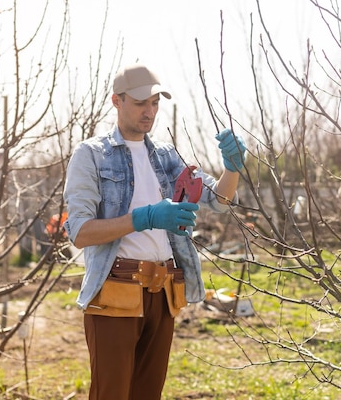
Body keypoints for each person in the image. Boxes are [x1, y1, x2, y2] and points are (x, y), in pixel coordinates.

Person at [63, 63, 246, 400]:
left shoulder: (165, 156)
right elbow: (80, 232)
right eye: (140, 103)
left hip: (163, 294)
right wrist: (144, 218)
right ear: (117, 101)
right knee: (111, 395)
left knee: (147, 395)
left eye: (155, 103)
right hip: (115, 293)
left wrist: (232, 168)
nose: (149, 112)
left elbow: (219, 200)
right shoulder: (90, 155)